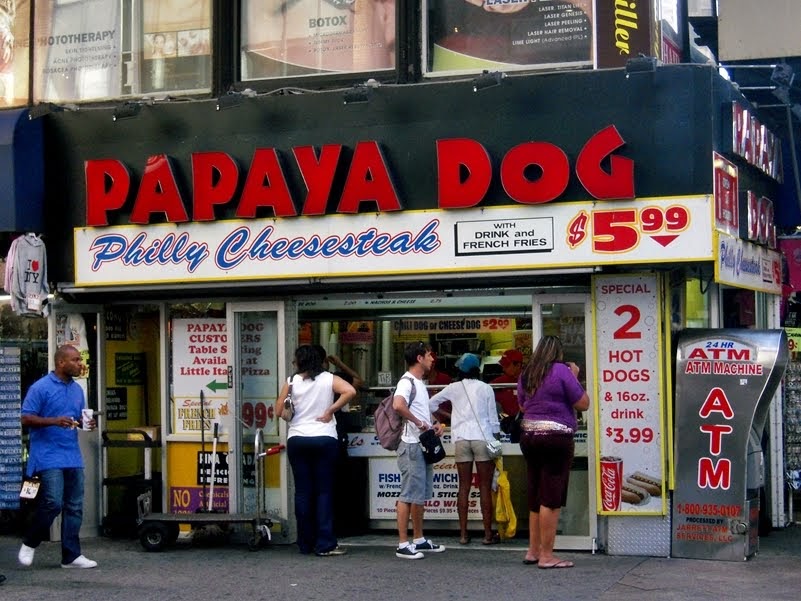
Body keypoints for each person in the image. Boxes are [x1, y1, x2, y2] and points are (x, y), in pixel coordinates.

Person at [18, 345, 98, 569]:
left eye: (80, 360)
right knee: (53, 502)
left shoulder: (77, 389)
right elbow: (26, 418)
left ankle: (71, 556)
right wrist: (53, 420)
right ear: (61, 362)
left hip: (72, 454)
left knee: (74, 506)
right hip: (47, 455)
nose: (79, 364)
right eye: (74, 360)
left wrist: (86, 423)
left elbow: (77, 419)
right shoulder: (40, 388)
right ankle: (30, 542)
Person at [275, 344, 357, 556]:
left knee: (303, 491)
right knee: (324, 492)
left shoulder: (291, 381)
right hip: (324, 438)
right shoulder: (329, 379)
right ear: (319, 360)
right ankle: (325, 544)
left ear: (300, 361)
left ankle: (305, 543)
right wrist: (330, 410)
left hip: (297, 439)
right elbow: (351, 390)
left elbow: (277, 411)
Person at [517, 336, 589, 569]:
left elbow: (521, 405)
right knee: (551, 496)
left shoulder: (528, 371)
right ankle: (547, 556)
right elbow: (583, 403)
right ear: (558, 352)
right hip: (556, 437)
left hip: (528, 436)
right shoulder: (561, 371)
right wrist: (575, 377)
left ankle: (533, 550)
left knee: (536, 494)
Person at [429, 353, 500, 546]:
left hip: (460, 438)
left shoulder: (453, 388)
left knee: (464, 487)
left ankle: (463, 535)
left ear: (460, 370)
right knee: (485, 487)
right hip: (482, 437)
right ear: (478, 369)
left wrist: (448, 416)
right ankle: (487, 535)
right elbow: (494, 420)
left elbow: (430, 404)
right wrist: (497, 437)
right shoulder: (486, 388)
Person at [392, 341, 446, 559]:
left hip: (421, 444)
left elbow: (420, 409)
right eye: (429, 355)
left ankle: (419, 539)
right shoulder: (406, 382)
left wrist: (432, 423)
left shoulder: (419, 383)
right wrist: (418, 422)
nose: (432, 359)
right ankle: (403, 543)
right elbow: (398, 405)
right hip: (411, 445)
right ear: (419, 359)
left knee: (419, 494)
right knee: (408, 494)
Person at [491, 349, 524, 417]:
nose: (503, 369)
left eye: (506, 365)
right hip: (505, 424)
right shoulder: (497, 383)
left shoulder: (529, 381)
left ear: (518, 365)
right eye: (503, 365)